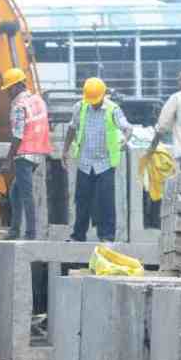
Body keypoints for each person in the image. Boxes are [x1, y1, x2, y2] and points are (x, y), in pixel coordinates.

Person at [62, 77, 133, 243]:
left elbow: (127, 127)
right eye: (91, 100)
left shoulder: (113, 109)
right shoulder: (80, 107)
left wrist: (125, 138)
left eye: (96, 100)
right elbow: (72, 128)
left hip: (105, 163)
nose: (93, 104)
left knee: (106, 201)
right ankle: (78, 236)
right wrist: (65, 150)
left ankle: (107, 236)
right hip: (85, 161)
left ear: (103, 95)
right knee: (82, 200)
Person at [2, 67, 52, 240]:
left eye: (8, 89)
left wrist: (8, 159)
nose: (8, 93)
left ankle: (30, 233)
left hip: (24, 154)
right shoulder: (38, 100)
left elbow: (17, 134)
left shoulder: (18, 106)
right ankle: (15, 230)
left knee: (26, 194)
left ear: (16, 86)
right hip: (39, 152)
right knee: (16, 191)